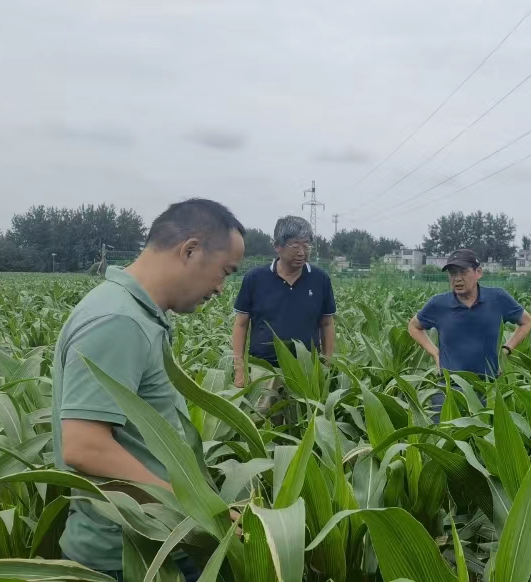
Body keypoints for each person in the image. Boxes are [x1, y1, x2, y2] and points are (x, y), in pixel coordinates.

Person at [51, 198, 246, 580]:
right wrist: (195, 507)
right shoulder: (118, 319)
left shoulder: (132, 312)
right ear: (190, 250)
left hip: (155, 543)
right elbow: (85, 446)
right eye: (224, 272)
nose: (221, 289)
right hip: (129, 556)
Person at [232, 216, 337, 417]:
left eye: (307, 245)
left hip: (305, 370)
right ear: (277, 246)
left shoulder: (320, 279)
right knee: (259, 420)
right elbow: (241, 324)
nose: (302, 252)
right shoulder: (255, 278)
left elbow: (327, 324)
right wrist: (239, 369)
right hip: (264, 370)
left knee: (303, 422)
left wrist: (327, 365)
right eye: (295, 246)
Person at [408, 249, 531, 410]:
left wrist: (505, 350)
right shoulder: (438, 304)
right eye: (452, 273)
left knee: (489, 425)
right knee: (444, 426)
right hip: (449, 387)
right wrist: (435, 354)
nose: (457, 278)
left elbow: (527, 322)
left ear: (478, 272)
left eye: (463, 272)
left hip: (488, 386)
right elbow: (414, 326)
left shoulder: (498, 298)